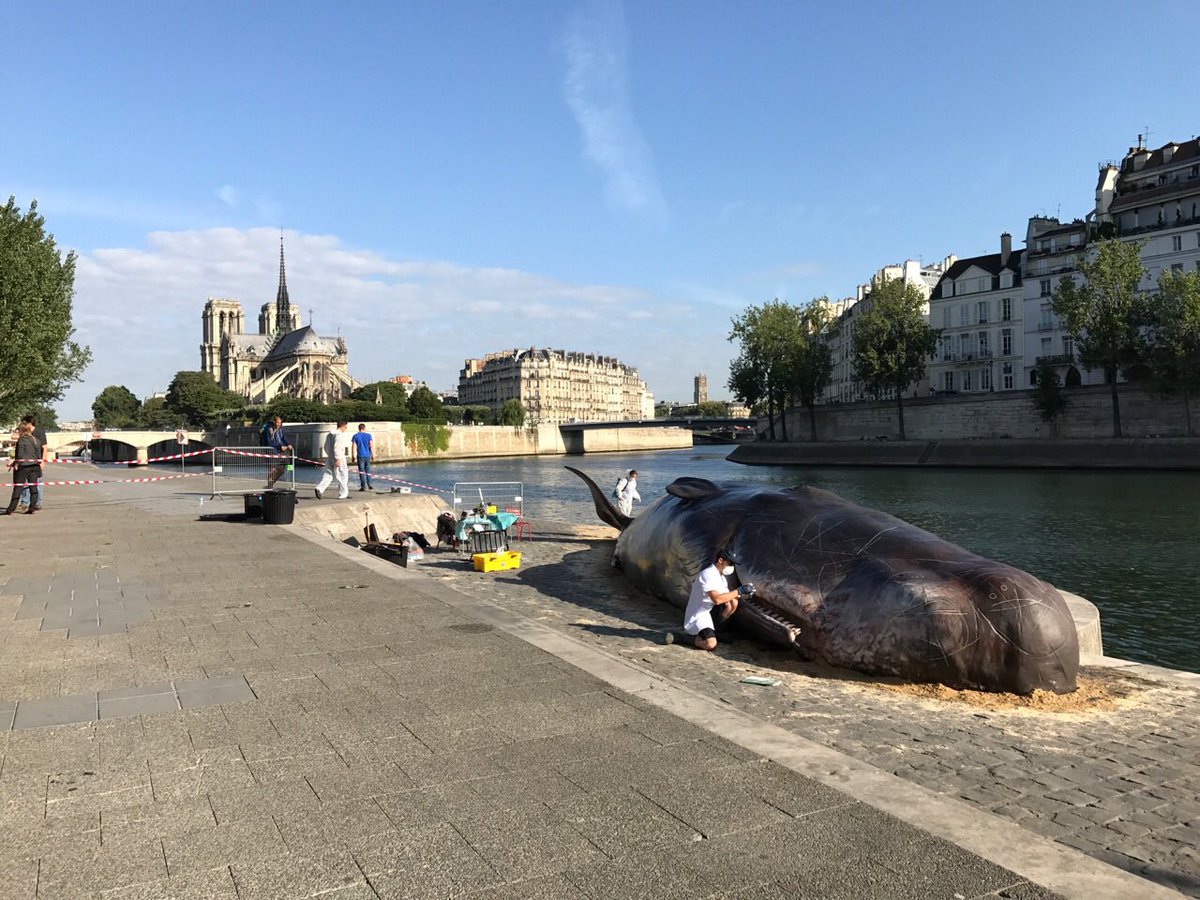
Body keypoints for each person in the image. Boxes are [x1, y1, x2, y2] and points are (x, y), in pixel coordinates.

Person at [666, 547, 746, 651]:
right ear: (720, 560)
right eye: (730, 563)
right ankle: (682, 637)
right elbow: (716, 599)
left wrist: (744, 594)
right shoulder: (707, 575)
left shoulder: (721, 578)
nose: (731, 567)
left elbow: (727, 596)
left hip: (709, 612)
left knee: (733, 603)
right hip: (699, 615)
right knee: (711, 644)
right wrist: (739, 591)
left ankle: (715, 631)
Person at [4, 423, 43, 515]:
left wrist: (15, 463)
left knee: (18, 488)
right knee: (33, 487)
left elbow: (20, 455)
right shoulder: (36, 440)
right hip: (34, 466)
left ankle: (11, 509)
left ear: (21, 431)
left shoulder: (21, 440)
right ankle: (32, 507)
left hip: (23, 467)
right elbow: (38, 456)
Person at [17, 414, 48, 511]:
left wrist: (43, 461)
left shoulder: (39, 432)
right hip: (26, 463)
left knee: (37, 482)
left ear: (29, 423)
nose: (23, 424)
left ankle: (37, 502)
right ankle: (25, 502)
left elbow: (45, 448)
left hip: (36, 462)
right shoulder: (25, 432)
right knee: (25, 483)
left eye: (24, 422)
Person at [314, 422, 351, 500]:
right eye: (345, 427)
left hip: (330, 457)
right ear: (343, 426)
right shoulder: (339, 435)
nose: (346, 429)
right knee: (342, 475)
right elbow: (337, 447)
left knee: (328, 474)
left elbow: (325, 446)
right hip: (339, 457)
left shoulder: (330, 435)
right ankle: (343, 494)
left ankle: (320, 488)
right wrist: (337, 458)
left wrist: (330, 455)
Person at [262, 416, 294, 488]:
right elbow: (269, 443)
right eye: (277, 423)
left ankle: (270, 485)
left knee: (281, 470)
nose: (279, 424)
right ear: (274, 422)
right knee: (271, 469)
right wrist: (280, 446)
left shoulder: (279, 429)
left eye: (280, 423)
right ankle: (270, 487)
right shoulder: (269, 429)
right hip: (270, 451)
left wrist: (288, 444)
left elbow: (283, 437)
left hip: (278, 451)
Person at [351, 423, 374, 492]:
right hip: (367, 455)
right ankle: (369, 484)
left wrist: (353, 456)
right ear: (364, 428)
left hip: (360, 455)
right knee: (368, 470)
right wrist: (373, 455)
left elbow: (353, 447)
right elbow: (371, 446)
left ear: (359, 428)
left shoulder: (355, 436)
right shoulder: (368, 435)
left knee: (361, 471)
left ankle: (363, 486)